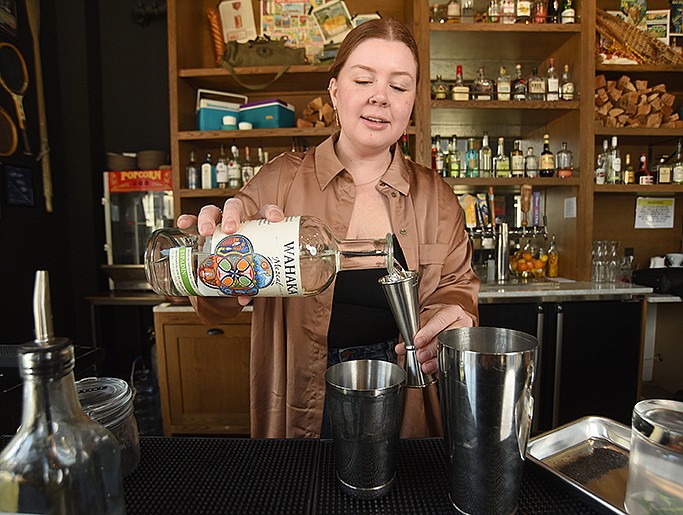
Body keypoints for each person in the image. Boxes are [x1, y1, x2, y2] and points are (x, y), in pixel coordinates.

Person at [177, 18, 479, 439]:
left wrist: (453, 315)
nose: (380, 97)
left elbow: (457, 286)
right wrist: (211, 265)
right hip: (303, 398)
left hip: (404, 397)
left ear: (412, 100)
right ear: (335, 91)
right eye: (363, 79)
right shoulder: (278, 181)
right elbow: (214, 301)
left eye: (399, 85)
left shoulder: (437, 197)